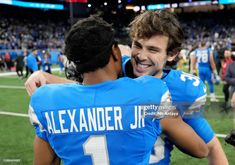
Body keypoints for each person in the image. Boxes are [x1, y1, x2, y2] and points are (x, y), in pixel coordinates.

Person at [25, 11, 227, 165]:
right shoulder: (118, 69)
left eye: (153, 49)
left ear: (172, 54)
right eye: (137, 45)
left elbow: (209, 147)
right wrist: (45, 75)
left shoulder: (183, 89)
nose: (141, 55)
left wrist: (47, 78)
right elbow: (92, 91)